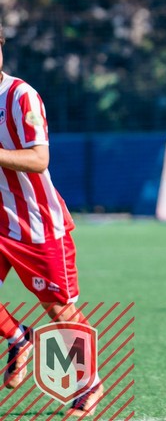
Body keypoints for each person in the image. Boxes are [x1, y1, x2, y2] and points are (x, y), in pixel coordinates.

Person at [0, 24, 103, 417]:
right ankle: (17, 338)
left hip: (37, 225)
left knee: (57, 309)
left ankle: (89, 384)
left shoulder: (19, 95)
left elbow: (39, 159)